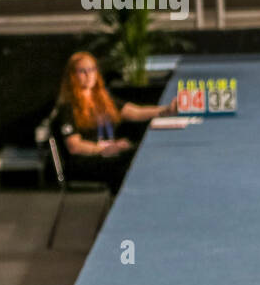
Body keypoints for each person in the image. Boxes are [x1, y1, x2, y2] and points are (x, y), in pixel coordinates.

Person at [54, 52, 177, 193]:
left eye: (92, 70)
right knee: (132, 160)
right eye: (83, 71)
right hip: (88, 160)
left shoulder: (102, 99)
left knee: (143, 150)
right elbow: (74, 146)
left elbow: (135, 112)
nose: (89, 75)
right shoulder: (68, 107)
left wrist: (166, 110)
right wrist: (103, 149)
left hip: (109, 154)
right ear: (72, 75)